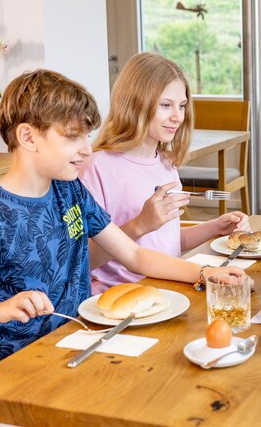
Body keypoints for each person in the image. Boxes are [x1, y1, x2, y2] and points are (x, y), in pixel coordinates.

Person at [0, 69, 246, 374]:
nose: (87, 149)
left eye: (88, 136)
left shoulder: (70, 189)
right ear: (28, 136)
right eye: (74, 138)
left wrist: (208, 273)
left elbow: (133, 254)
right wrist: (2, 309)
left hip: (75, 344)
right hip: (11, 366)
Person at [79, 52, 249, 294]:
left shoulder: (166, 163)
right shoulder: (98, 166)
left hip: (168, 287)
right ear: (136, 103)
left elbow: (167, 243)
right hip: (121, 297)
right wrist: (141, 224)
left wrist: (215, 227)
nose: (177, 117)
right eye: (165, 105)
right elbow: (84, 260)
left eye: (181, 106)